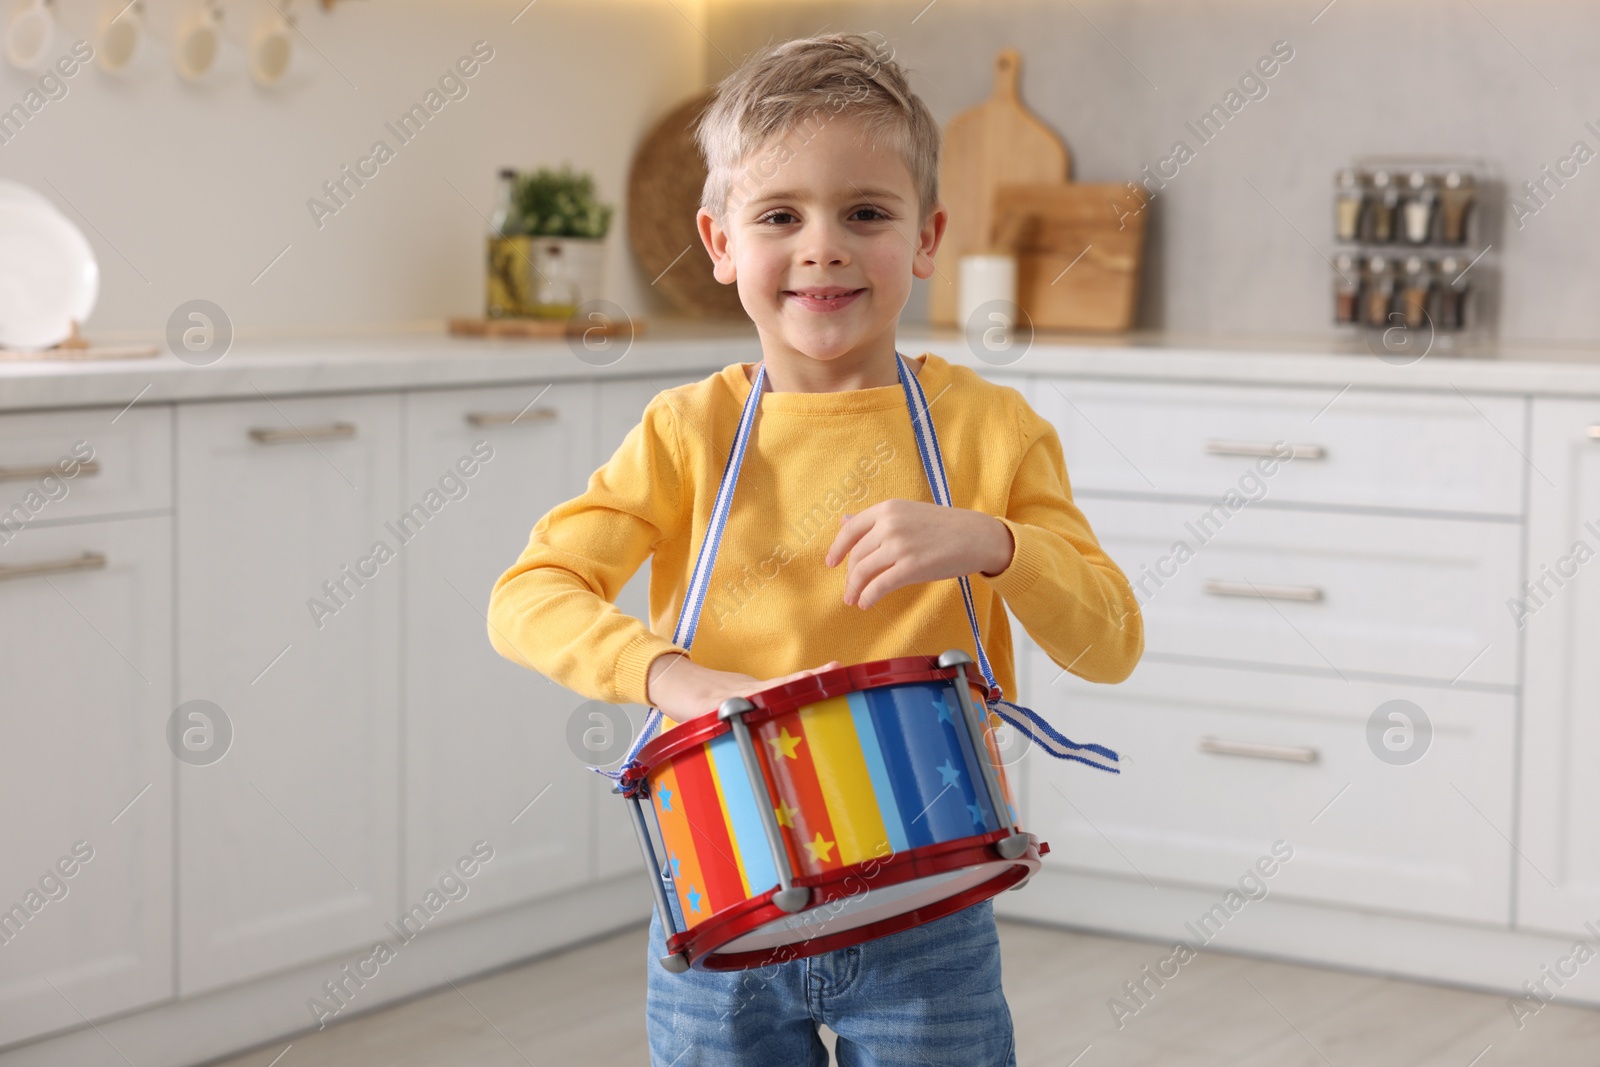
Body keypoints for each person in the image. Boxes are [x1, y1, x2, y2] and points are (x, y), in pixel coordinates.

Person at [486, 31, 1143, 1067]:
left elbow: (1111, 640)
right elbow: (526, 595)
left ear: (926, 238)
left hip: (926, 902)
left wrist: (991, 541)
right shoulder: (683, 432)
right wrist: (670, 675)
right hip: (721, 898)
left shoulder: (989, 431)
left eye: (865, 213)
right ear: (719, 242)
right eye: (780, 215)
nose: (822, 245)